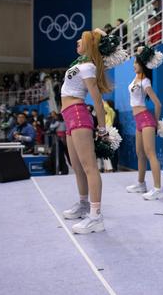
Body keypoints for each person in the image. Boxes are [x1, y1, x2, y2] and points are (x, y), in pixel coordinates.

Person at [60, 29, 112, 234]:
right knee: (77, 166)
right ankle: (83, 205)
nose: (76, 41)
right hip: (69, 116)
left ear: (89, 45)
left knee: (90, 167)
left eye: (81, 39)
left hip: (78, 114)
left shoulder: (88, 67)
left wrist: (102, 129)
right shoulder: (82, 64)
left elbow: (97, 99)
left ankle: (96, 216)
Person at [125, 54, 163, 200]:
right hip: (138, 120)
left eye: (136, 62)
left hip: (146, 119)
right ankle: (141, 184)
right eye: (134, 62)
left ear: (143, 64)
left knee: (150, 154)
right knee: (139, 153)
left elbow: (158, 104)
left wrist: (157, 123)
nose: (133, 64)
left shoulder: (145, 82)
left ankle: (158, 188)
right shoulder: (136, 79)